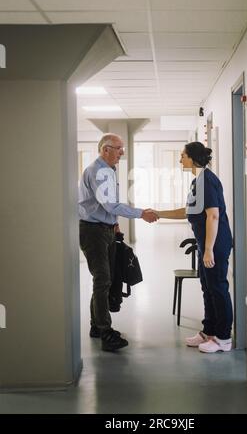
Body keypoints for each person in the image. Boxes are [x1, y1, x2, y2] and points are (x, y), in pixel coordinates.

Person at [79, 133, 158, 352]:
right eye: (119, 148)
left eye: (122, 148)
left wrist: (114, 224)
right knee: (103, 278)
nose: (122, 152)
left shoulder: (109, 170)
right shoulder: (98, 171)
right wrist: (141, 213)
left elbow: (108, 207)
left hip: (105, 229)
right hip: (92, 231)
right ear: (106, 149)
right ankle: (105, 331)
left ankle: (96, 325)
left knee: (105, 278)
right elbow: (111, 205)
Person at [155, 142, 233, 353]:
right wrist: (159, 213)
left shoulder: (207, 181)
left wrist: (208, 249)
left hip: (215, 244)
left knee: (217, 288)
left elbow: (213, 215)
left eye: (183, 155)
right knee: (207, 287)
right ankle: (209, 332)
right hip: (205, 243)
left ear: (192, 158)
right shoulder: (198, 181)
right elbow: (188, 211)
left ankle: (224, 338)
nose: (180, 159)